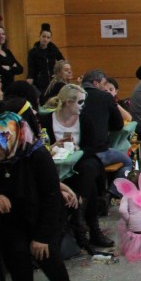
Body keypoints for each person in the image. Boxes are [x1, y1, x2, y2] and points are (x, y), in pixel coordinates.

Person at [0, 111, 83, 281]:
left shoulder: (37, 155)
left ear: (12, 138)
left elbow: (51, 196)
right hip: (9, 219)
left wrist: (42, 236)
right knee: (16, 255)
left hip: (41, 215)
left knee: (46, 254)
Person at [41, 83, 115, 249]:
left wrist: (78, 149)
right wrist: (53, 146)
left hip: (80, 162)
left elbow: (94, 147)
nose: (83, 106)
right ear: (68, 102)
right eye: (80, 102)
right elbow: (41, 148)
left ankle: (79, 218)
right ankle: (89, 227)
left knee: (88, 170)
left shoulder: (84, 119)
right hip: (56, 166)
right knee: (90, 185)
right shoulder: (46, 120)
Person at [80, 69, 130, 198]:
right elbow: (118, 125)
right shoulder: (105, 97)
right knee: (128, 162)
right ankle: (111, 193)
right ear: (96, 83)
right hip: (99, 151)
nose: (105, 88)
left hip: (77, 151)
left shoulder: (73, 96)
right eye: (103, 84)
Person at [26, 23, 64, 95]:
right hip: (39, 83)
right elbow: (31, 68)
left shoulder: (53, 49)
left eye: (48, 37)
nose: (45, 39)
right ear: (40, 36)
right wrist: (30, 78)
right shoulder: (33, 52)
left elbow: (62, 60)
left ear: (50, 39)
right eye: (43, 36)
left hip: (53, 81)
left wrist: (58, 73)